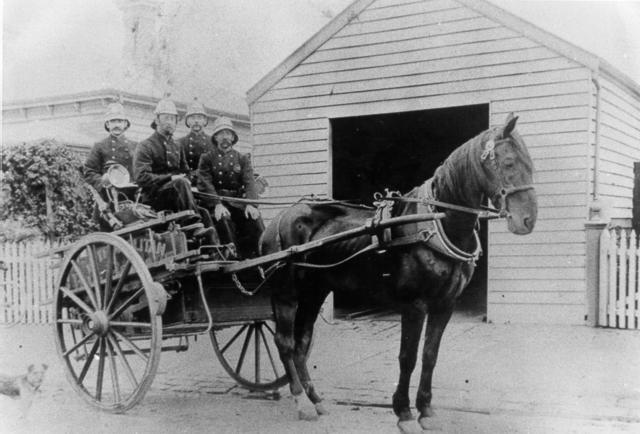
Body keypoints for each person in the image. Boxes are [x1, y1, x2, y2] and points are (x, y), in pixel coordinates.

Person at [134, 97, 216, 241]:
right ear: (157, 120)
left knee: (204, 212)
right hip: (153, 198)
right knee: (181, 183)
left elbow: (186, 172)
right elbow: (142, 177)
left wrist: (193, 179)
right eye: (166, 118)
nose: (170, 122)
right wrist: (171, 178)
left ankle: (214, 249)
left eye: (173, 119)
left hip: (176, 195)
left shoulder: (176, 146)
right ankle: (192, 226)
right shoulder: (145, 145)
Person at [197, 116, 264, 258]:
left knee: (254, 218)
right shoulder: (207, 158)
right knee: (224, 218)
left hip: (238, 201)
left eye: (228, 133)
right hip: (217, 201)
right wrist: (217, 204)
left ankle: (262, 255)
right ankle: (233, 257)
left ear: (233, 138)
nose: (225, 137)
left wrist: (251, 204)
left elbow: (249, 182)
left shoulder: (242, 159)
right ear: (215, 138)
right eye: (221, 134)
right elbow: (205, 182)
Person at [84, 102, 137, 199]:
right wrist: (102, 180)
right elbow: (89, 171)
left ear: (125, 124)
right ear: (107, 124)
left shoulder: (136, 146)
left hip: (132, 195)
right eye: (113, 121)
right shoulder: (99, 146)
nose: (116, 125)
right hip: (108, 196)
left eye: (119, 121)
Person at [177, 98, 211, 186]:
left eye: (199, 118)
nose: (196, 121)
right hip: (186, 184)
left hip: (207, 185)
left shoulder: (213, 143)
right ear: (187, 121)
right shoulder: (179, 143)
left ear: (205, 121)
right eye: (192, 118)